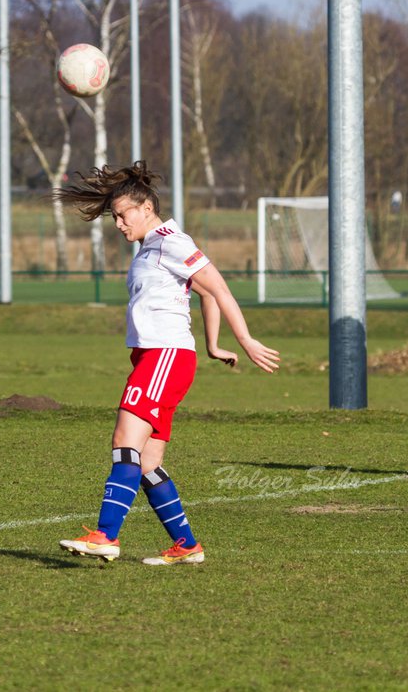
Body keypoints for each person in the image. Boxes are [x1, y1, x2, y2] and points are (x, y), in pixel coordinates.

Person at [52, 162, 279, 565]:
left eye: (123, 215)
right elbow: (204, 296)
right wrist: (212, 345)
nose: (119, 224)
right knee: (148, 464)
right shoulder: (151, 246)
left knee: (125, 442)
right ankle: (187, 545)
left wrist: (244, 339)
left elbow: (218, 287)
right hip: (161, 357)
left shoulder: (171, 241)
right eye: (115, 217)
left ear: (145, 207)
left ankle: (106, 535)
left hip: (164, 357)